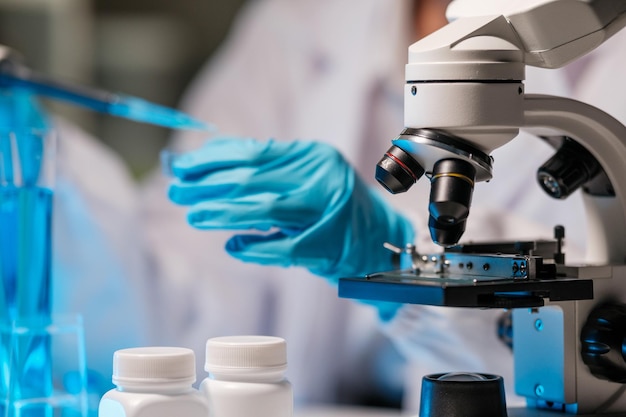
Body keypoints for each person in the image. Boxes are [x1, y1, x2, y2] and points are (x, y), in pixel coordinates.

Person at [44, 0, 626, 414]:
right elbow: (173, 316)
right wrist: (44, 160)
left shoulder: (606, 46)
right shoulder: (301, 22)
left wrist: (387, 238)